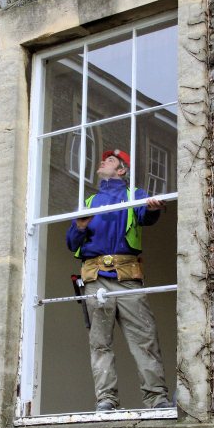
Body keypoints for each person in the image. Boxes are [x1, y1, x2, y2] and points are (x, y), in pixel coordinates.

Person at [66, 149, 170, 412]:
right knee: (100, 343)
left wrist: (154, 209)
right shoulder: (90, 201)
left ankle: (156, 398)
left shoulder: (134, 195)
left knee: (144, 339)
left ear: (122, 170)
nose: (103, 161)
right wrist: (79, 226)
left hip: (127, 278)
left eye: (110, 160)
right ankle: (106, 400)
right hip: (95, 278)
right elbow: (71, 243)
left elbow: (146, 216)